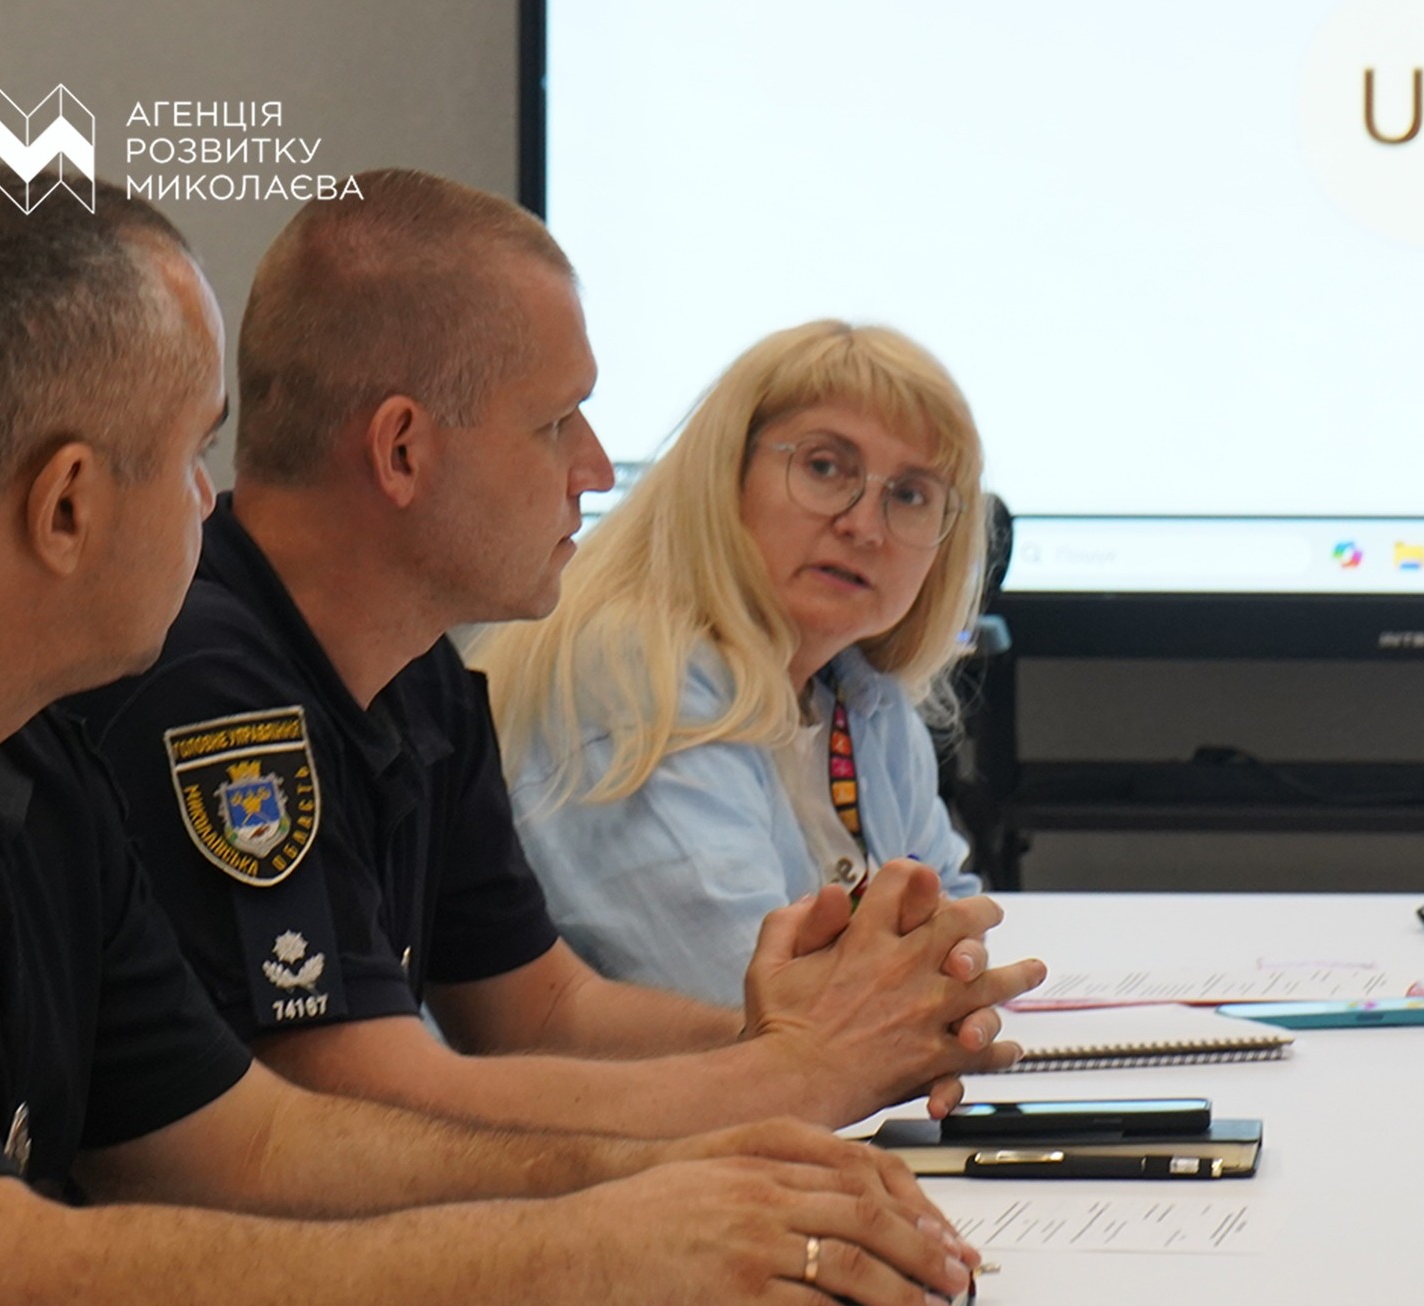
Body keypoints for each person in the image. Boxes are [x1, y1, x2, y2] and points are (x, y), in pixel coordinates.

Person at [0, 170, 979, 1306]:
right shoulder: (107, 713)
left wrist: (671, 1187)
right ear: (67, 506)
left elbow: (245, 1146)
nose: (211, 502)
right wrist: (592, 1244)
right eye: (191, 455)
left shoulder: (29, 764)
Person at [75, 170, 1045, 1139]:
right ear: (403, 451)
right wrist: (800, 1072)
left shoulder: (415, 676)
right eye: (554, 423)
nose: (593, 467)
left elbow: (540, 1012)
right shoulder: (213, 689)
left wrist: (795, 1042)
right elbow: (361, 1099)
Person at [479, 320, 991, 1006]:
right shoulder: (636, 673)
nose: (864, 526)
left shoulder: (863, 697)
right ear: (728, 473)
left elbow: (957, 927)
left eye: (909, 495)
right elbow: (741, 995)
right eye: (824, 467)